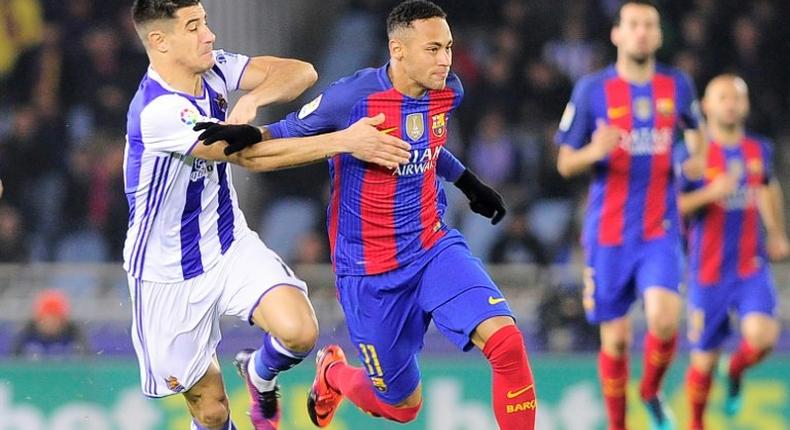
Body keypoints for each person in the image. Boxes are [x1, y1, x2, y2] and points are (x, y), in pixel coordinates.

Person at [199, 2, 537, 429]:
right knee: (402, 407)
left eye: (448, 47)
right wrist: (248, 132)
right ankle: (333, 373)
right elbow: (287, 131)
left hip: (433, 246)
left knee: (507, 344)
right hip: (370, 273)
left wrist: (468, 182)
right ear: (398, 49)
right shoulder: (353, 97)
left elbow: (427, 145)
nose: (445, 59)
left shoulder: (448, 90)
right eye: (433, 49)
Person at [125, 2, 411, 430]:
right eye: (194, 27)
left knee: (300, 330)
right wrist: (345, 141)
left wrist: (254, 97)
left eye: (204, 22)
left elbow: (302, 73)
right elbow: (252, 156)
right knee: (211, 409)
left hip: (227, 243)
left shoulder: (215, 68)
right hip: (166, 276)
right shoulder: (159, 112)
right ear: (159, 42)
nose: (210, 35)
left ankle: (257, 373)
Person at [554, 1, 706, 429]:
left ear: (658, 36)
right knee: (617, 340)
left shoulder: (678, 85)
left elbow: (697, 138)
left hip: (660, 228)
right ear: (616, 34)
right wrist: (594, 151)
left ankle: (651, 389)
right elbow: (565, 162)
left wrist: (693, 158)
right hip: (608, 232)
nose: (641, 32)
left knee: (663, 319)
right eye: (633, 25)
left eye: (650, 26)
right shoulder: (591, 89)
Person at [678, 75, 787, 430]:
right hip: (707, 272)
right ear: (706, 106)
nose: (730, 103)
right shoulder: (692, 155)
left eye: (737, 97)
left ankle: (736, 369)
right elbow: (670, 207)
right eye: (722, 97)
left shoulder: (759, 150)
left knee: (764, 337)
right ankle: (696, 424)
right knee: (703, 363)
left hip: (749, 267)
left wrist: (776, 232)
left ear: (746, 105)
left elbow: (767, 188)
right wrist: (711, 193)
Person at [12, 289, 90, 358]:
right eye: (47, 318)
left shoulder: (75, 335)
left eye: (55, 318)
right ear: (38, 319)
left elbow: (87, 362)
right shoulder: (25, 335)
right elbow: (14, 363)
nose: (51, 322)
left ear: (63, 320)